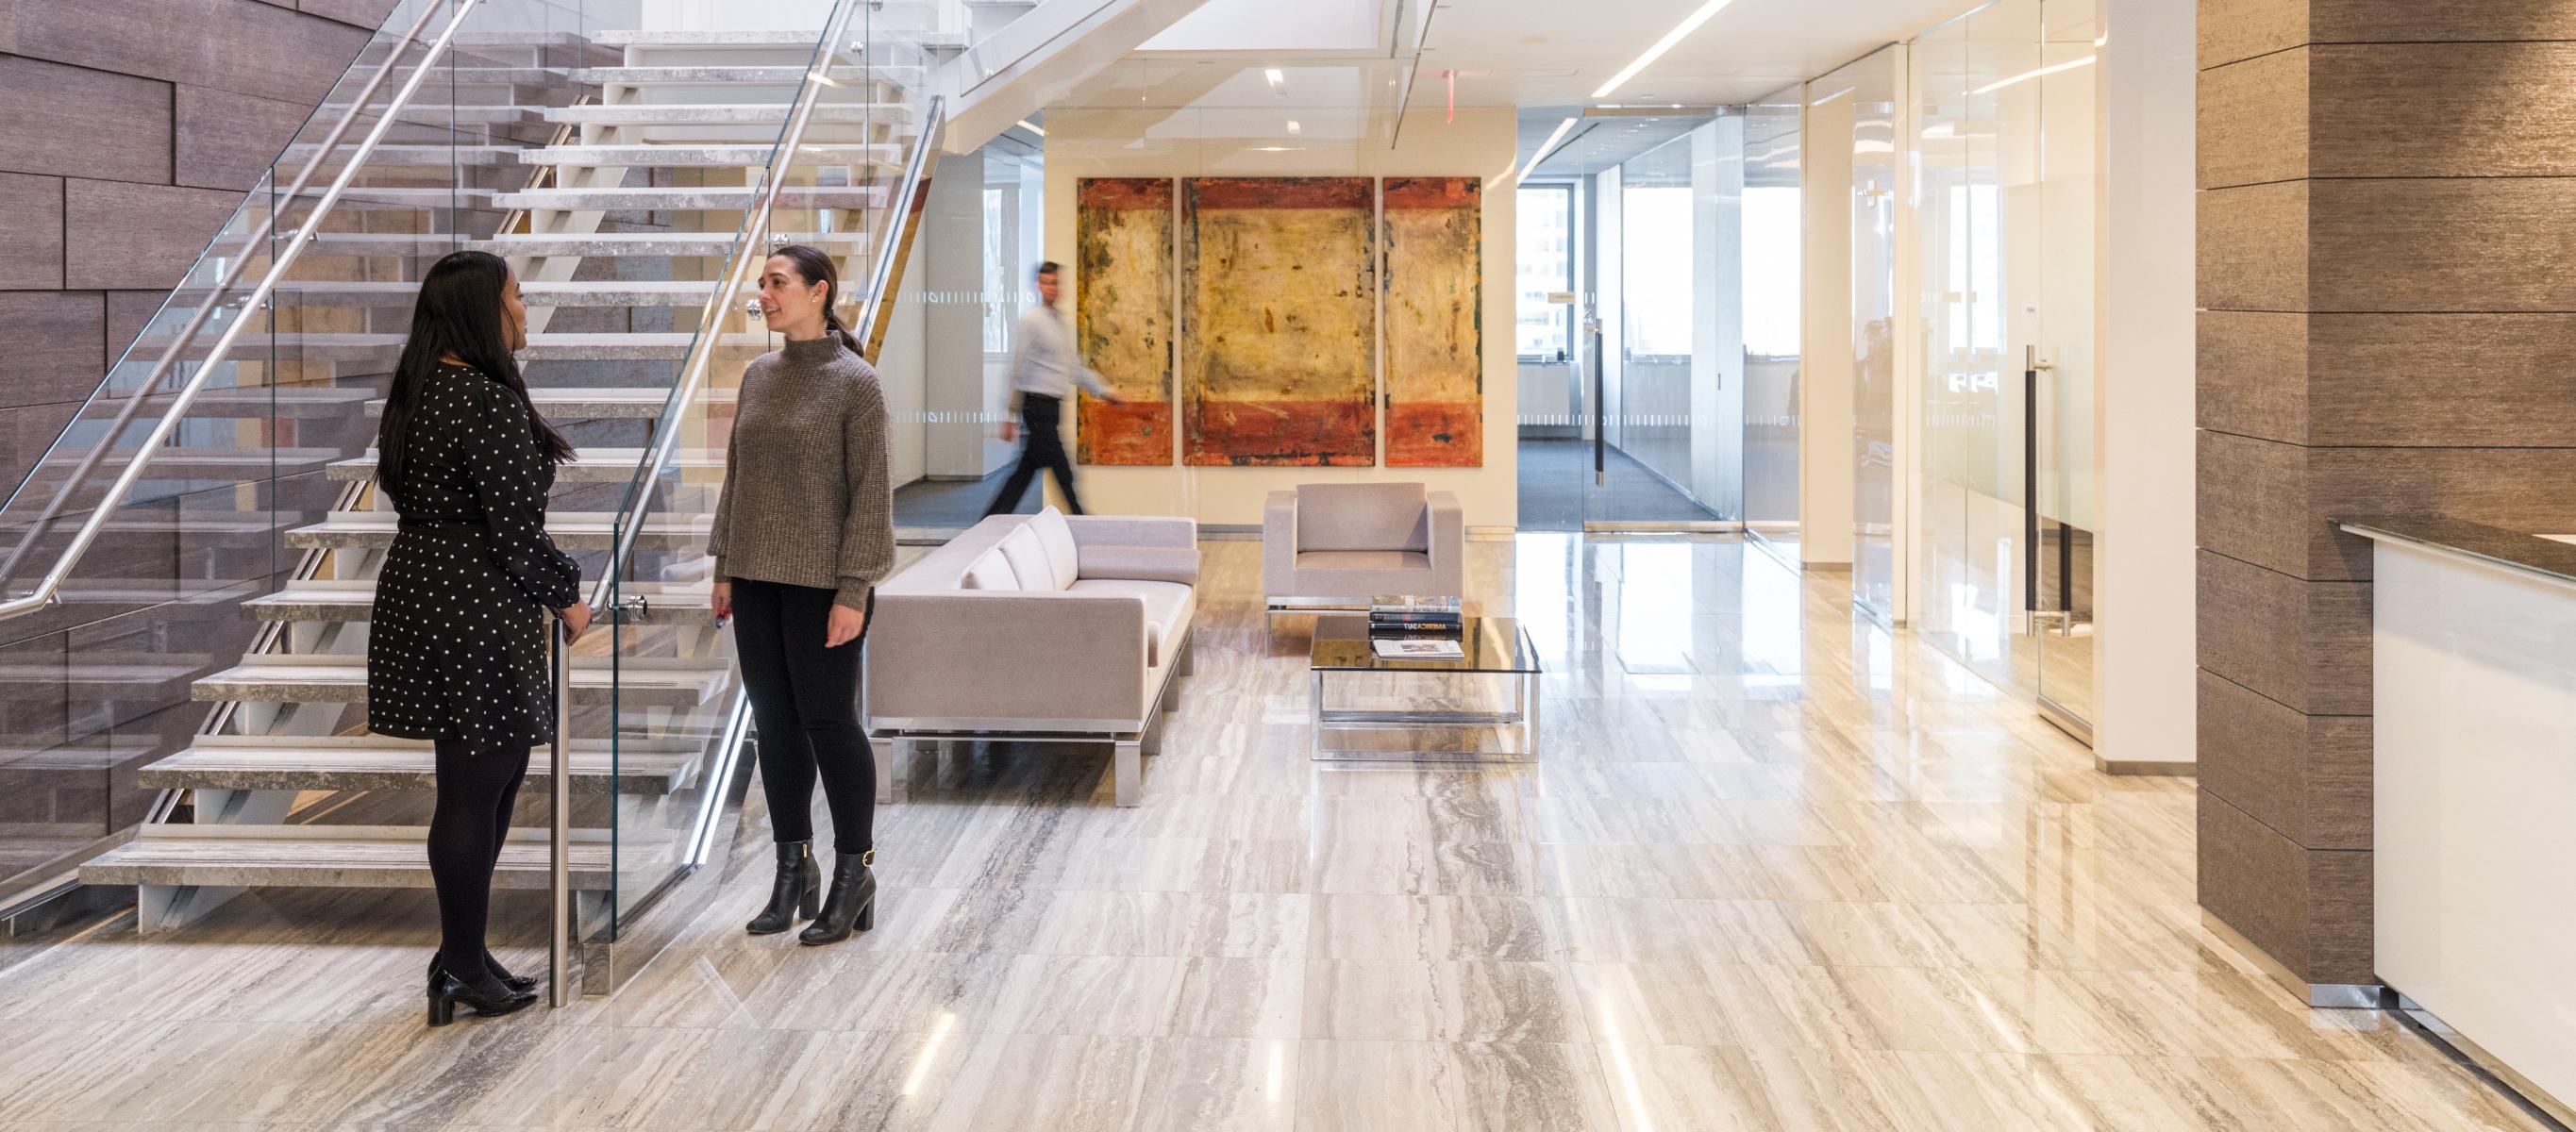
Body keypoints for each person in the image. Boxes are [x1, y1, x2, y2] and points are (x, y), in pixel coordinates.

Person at [366, 249, 590, 1026]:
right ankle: (460, 960)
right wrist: (568, 596)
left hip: (423, 588)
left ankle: (464, 952)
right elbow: (516, 533)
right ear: (482, 313)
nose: (524, 309)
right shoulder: (486, 402)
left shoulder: (419, 392)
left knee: (483, 776)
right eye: (517, 296)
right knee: (476, 784)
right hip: (475, 601)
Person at [708, 244, 896, 945]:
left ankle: (855, 872)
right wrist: (725, 565)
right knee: (774, 726)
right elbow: (739, 479)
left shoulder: (856, 382)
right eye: (762, 283)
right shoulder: (759, 375)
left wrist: (855, 589)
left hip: (826, 587)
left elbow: (871, 498)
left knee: (829, 723)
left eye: (777, 282)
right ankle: (795, 870)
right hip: (755, 578)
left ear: (819, 292)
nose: (765, 293)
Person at [980, 260, 1123, 517]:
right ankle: (1082, 520)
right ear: (1038, 286)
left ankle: (989, 521)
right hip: (1035, 407)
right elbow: (1016, 369)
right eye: (1046, 283)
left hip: (1052, 408)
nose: (1051, 288)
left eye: (1055, 282)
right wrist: (1010, 416)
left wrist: (1103, 391)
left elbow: (1074, 369)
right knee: (1062, 470)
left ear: (1061, 286)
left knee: (1025, 472)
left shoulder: (1061, 325)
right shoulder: (1032, 322)